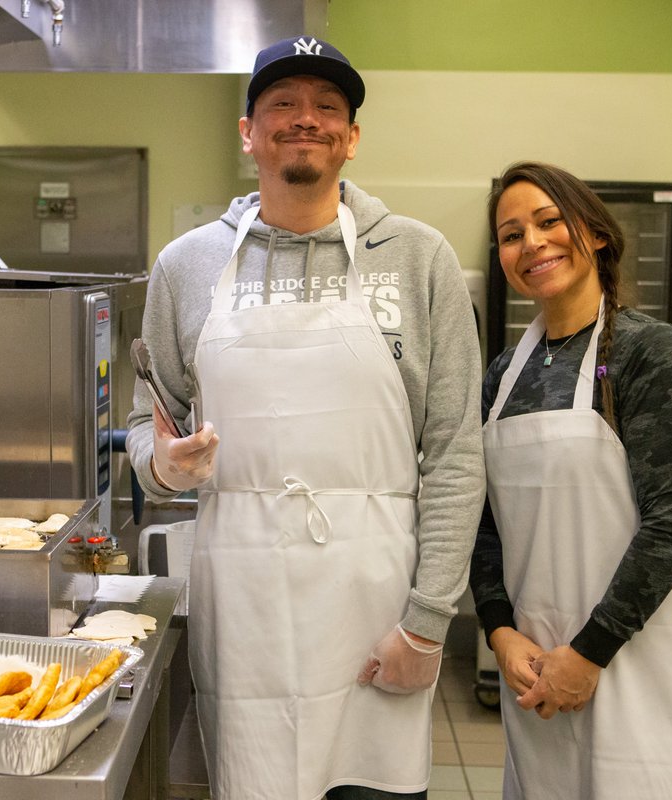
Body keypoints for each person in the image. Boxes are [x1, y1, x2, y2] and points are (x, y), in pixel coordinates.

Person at [125, 35, 485, 800]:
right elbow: (145, 424)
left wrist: (427, 624)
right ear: (248, 131)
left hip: (377, 605)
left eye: (328, 107)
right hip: (243, 602)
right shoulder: (186, 265)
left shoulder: (421, 260)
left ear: (351, 138)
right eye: (282, 103)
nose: (306, 119)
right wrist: (163, 465)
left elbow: (455, 452)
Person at [469, 161, 672, 798]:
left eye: (549, 222)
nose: (533, 244)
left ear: (595, 233)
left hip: (633, 658)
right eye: (511, 234)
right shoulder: (503, 375)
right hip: (534, 668)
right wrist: (500, 631)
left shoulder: (648, 353)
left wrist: (589, 654)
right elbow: (484, 521)